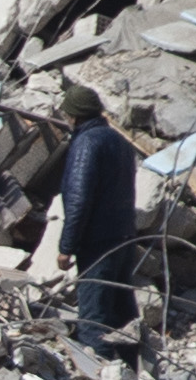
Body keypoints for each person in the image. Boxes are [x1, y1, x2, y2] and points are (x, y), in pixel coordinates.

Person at [59, 88, 143, 347]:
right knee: (122, 312)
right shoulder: (119, 141)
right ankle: (131, 372)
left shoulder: (86, 143)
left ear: (73, 116)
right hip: (124, 237)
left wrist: (66, 247)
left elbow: (78, 199)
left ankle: (98, 376)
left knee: (93, 318)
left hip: (98, 244)